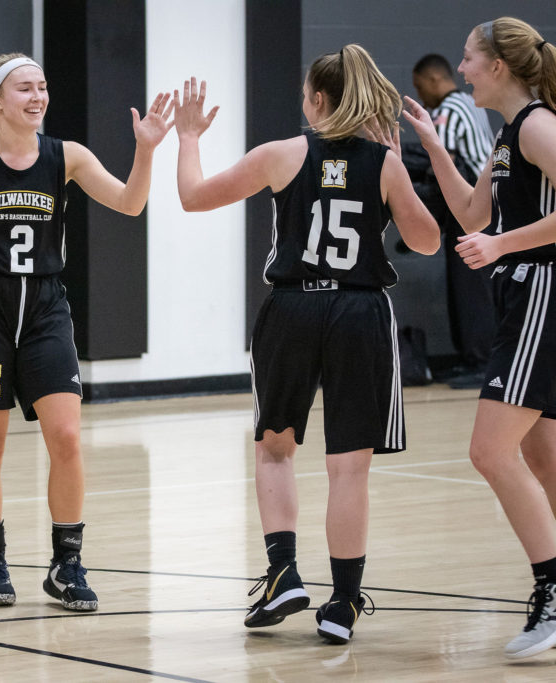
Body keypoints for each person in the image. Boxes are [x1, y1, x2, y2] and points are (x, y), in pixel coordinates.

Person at [175, 46, 439, 644]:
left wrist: (189, 137)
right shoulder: (383, 163)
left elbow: (192, 196)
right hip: (360, 310)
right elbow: (425, 243)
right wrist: (392, 171)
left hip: (293, 306)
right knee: (349, 469)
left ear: (318, 100)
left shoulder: (283, 154)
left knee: (275, 449)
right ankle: (343, 603)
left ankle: (283, 573)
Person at [0, 53, 173, 611]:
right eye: (25, 88)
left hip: (45, 309)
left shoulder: (64, 155)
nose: (38, 96)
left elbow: (130, 202)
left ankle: (67, 563)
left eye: (42, 87)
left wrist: (145, 150)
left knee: (67, 437)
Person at [404, 17, 556, 659]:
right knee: (546, 458)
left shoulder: (539, 126)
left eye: (469, 59)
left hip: (542, 293)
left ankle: (551, 593)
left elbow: (494, 232)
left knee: (489, 453)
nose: (460, 71)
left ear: (497, 66)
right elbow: (471, 213)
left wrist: (501, 245)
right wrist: (434, 144)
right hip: (521, 295)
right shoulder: (504, 135)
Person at [410, 53, 496, 387]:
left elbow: (436, 159)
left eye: (421, 88)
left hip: (474, 210)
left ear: (434, 80)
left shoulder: (449, 109)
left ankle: (482, 361)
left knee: (472, 290)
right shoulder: (468, 105)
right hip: (477, 207)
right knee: (468, 289)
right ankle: (472, 358)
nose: (421, 97)